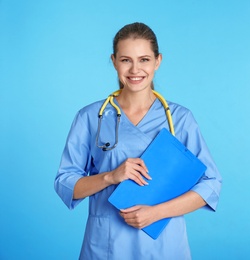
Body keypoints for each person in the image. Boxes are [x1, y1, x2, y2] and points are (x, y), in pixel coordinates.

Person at [54, 22, 222, 259]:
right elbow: (65, 182)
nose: (135, 69)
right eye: (126, 60)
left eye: (144, 59)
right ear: (114, 61)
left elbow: (211, 184)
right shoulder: (91, 117)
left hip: (164, 244)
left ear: (157, 61)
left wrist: (156, 213)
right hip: (107, 244)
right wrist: (110, 176)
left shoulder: (180, 119)